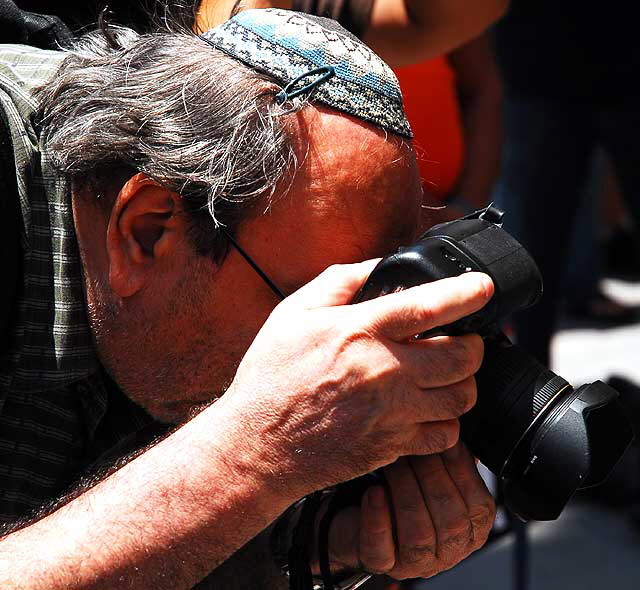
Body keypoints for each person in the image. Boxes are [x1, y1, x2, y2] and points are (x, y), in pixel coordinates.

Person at [0, 9, 497, 590]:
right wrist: (254, 458)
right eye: (304, 308)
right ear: (147, 231)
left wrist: (317, 541)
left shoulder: (181, 302)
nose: (338, 353)